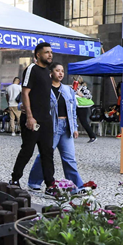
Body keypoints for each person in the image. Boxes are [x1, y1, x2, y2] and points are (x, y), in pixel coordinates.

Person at [27, 63, 84, 191]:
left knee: (70, 158)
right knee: (45, 155)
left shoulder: (68, 90)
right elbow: (30, 102)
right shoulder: (44, 89)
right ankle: (34, 181)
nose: (60, 73)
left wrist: (74, 127)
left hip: (66, 127)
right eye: (57, 70)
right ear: (51, 73)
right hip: (50, 127)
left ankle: (76, 186)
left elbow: (73, 110)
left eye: (62, 71)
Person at [11, 43, 56, 192]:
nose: (50, 55)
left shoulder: (47, 72)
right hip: (33, 119)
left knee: (47, 152)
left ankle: (50, 185)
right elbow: (25, 93)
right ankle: (15, 179)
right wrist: (30, 117)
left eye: (51, 52)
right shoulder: (32, 69)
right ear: (38, 55)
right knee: (28, 150)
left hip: (46, 119)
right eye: (46, 52)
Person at [73, 77, 97, 143]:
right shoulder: (74, 88)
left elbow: (89, 96)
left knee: (83, 122)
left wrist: (82, 95)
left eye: (74, 80)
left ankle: (92, 136)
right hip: (76, 106)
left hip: (82, 107)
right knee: (71, 120)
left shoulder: (83, 88)